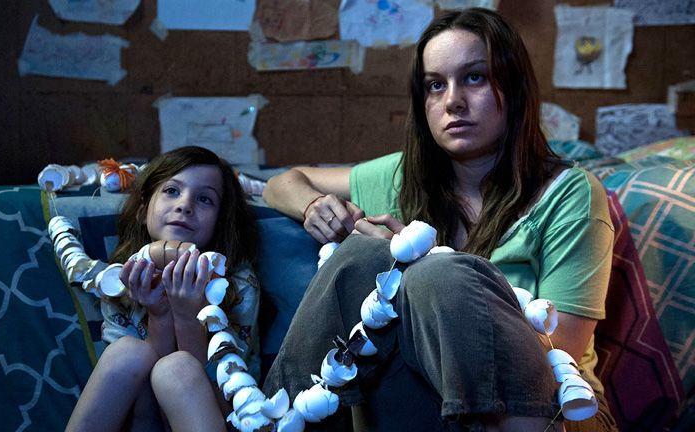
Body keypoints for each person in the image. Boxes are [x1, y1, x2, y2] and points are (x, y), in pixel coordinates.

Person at [262, 7, 617, 432]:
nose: (453, 101)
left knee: (435, 275)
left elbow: (564, 348)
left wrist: (429, 269)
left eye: (475, 77)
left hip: (550, 405)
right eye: (435, 85)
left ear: (514, 86)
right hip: (427, 400)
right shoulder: (401, 177)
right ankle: (274, 419)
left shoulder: (570, 193)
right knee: (362, 256)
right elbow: (281, 183)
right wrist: (314, 206)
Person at [66, 146, 259, 432]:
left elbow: (222, 396)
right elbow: (140, 388)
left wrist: (188, 316)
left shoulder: (236, 283)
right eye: (171, 191)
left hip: (216, 415)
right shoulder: (122, 280)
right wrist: (159, 314)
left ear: (220, 222)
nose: (185, 205)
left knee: (177, 368)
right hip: (142, 420)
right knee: (127, 353)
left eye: (204, 199)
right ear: (143, 211)